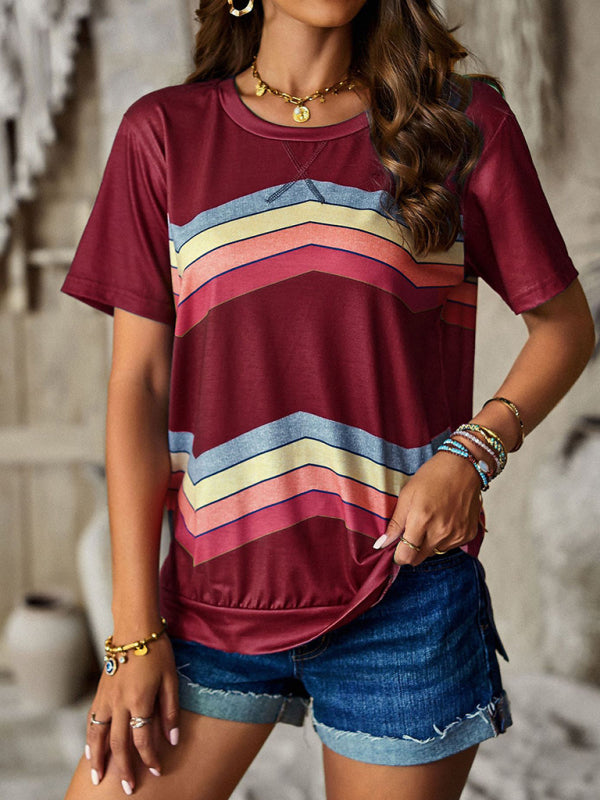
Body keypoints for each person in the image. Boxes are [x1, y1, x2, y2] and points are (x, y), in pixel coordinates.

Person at [60, 1, 595, 798]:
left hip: (402, 597)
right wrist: (133, 635)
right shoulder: (164, 134)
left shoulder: (455, 124)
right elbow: (139, 386)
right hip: (212, 602)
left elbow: (565, 327)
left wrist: (472, 453)